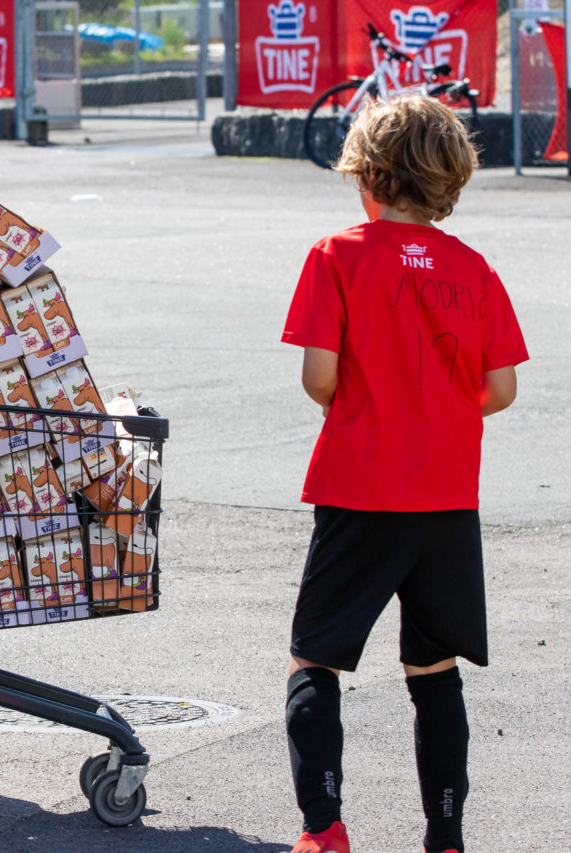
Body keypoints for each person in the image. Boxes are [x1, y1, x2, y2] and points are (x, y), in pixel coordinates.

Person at [279, 97, 528, 853]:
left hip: (360, 486)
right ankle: (444, 834)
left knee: (315, 658)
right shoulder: (474, 269)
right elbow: (503, 389)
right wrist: (442, 414)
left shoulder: (337, 254)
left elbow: (319, 378)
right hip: (447, 496)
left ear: (373, 176)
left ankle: (324, 829)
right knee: (434, 668)